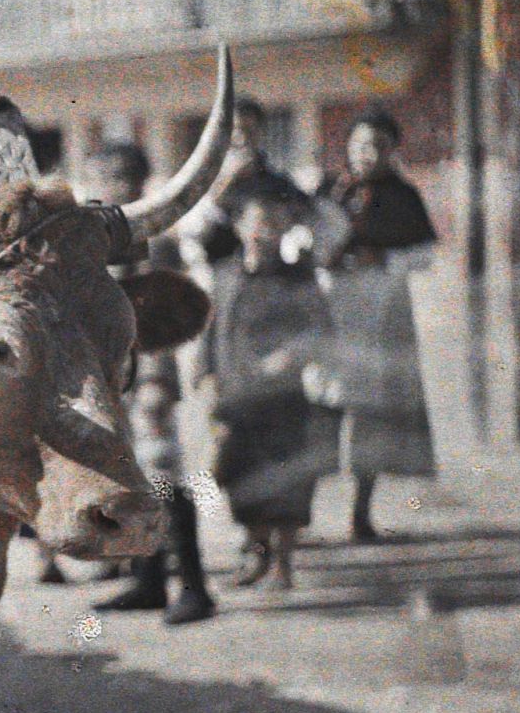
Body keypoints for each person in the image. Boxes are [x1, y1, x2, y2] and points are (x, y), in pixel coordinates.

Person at [76, 143, 218, 624]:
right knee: (130, 477)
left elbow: (163, 317)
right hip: (113, 378)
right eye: (97, 177)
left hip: (147, 376)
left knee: (163, 476)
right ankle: (149, 579)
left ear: (135, 183)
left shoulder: (156, 240)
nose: (102, 188)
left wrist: (157, 384)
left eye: (112, 178)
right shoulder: (98, 238)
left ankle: (195, 587)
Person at [317, 107, 441, 543]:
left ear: (391, 151)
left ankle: (359, 513)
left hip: (382, 309)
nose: (368, 153)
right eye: (360, 144)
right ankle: (298, 518)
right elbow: (302, 236)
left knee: (369, 413)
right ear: (348, 147)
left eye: (379, 146)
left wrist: (385, 258)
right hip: (331, 306)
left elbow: (426, 254)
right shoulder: (328, 191)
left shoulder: (403, 196)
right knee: (321, 407)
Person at [205, 195, 337, 593]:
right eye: (257, 224)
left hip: (283, 397)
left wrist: (292, 355)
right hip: (236, 394)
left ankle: (282, 564)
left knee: (286, 481)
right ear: (240, 228)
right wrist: (207, 374)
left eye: (274, 225)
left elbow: (322, 330)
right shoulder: (226, 275)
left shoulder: (301, 278)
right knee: (235, 474)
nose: (264, 233)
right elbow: (213, 330)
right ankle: (256, 553)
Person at [182, 97, 316, 268]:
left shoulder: (279, 185)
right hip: (218, 275)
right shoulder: (200, 183)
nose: (241, 139)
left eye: (249, 131)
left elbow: (306, 221)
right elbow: (191, 234)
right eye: (235, 130)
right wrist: (224, 186)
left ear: (261, 133)